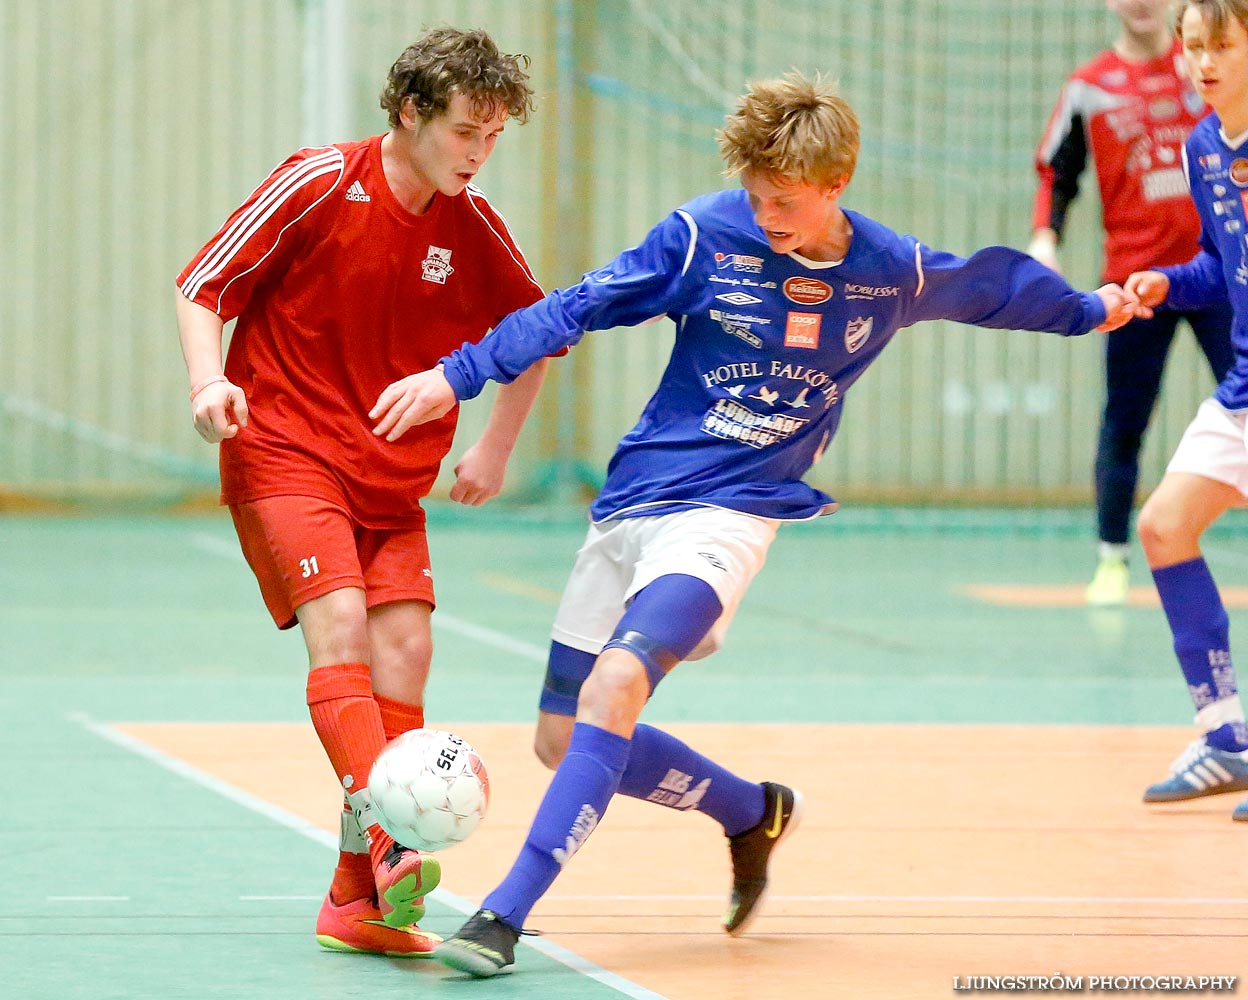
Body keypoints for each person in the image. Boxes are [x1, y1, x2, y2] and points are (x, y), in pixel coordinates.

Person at [368, 72, 1139, 977]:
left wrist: (1093, 309)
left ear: (836, 184)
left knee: (616, 686)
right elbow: (573, 306)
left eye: (785, 200)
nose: (765, 213)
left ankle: (500, 915)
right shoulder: (703, 235)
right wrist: (455, 378)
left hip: (733, 514)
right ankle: (749, 811)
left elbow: (992, 286)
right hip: (635, 500)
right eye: (755, 195)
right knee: (559, 741)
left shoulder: (887, 270)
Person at [174, 27, 550, 957]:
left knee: (406, 654)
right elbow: (202, 285)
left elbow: (540, 334)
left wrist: (496, 449)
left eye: (494, 137)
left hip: (393, 481)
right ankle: (390, 840)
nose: (479, 153)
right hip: (288, 449)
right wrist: (206, 382)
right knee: (337, 626)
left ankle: (356, 900)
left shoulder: (472, 226)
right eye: (466, 131)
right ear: (411, 112)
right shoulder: (318, 180)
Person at [1029, 0, 1234, 607]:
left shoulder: (1208, 66)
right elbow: (1055, 172)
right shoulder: (1089, 88)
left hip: (1217, 276)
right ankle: (1112, 559)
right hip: (1138, 283)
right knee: (1125, 420)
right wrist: (1045, 240)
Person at [1122, 0, 1248, 817]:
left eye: (1223, 44)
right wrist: (1172, 282)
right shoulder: (1204, 146)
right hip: (1244, 385)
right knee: (1165, 527)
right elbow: (1219, 262)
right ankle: (1225, 737)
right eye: (1193, 47)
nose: (1204, 62)